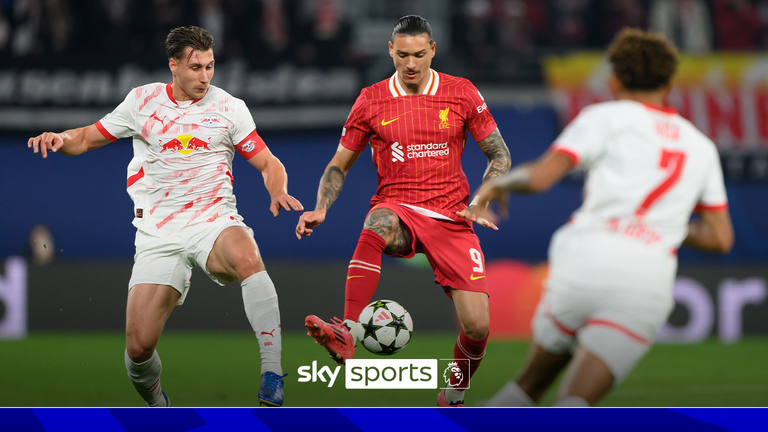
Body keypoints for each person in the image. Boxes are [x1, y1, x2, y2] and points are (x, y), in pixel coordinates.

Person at [27, 26, 303, 407]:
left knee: (248, 257)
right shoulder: (142, 102)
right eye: (195, 68)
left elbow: (268, 162)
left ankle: (272, 373)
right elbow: (88, 137)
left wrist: (278, 189)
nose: (205, 76)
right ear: (173, 65)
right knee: (139, 348)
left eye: (210, 67)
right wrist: (60, 140)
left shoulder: (229, 108)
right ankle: (158, 403)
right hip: (158, 232)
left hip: (213, 220)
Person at [478, 28, 734, 407]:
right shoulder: (701, 145)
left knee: (526, 390)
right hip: (644, 282)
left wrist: (500, 184)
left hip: (583, 263)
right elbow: (720, 239)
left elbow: (541, 178)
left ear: (614, 79)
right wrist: (666, 223)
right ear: (669, 82)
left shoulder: (603, 117)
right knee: (575, 404)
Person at [295, 15, 512, 407]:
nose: (410, 64)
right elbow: (338, 165)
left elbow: (500, 154)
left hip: (452, 216)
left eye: (418, 55)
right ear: (390, 51)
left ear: (432, 50)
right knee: (376, 222)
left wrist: (480, 200)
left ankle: (454, 391)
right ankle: (346, 330)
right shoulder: (371, 99)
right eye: (402, 55)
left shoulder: (461, 92)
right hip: (400, 208)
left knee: (478, 326)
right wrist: (321, 207)